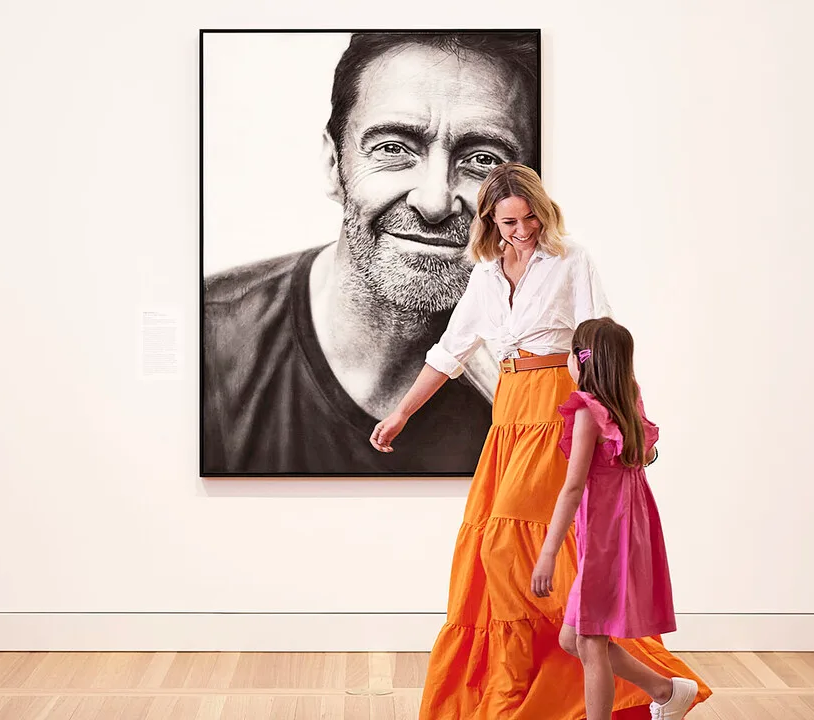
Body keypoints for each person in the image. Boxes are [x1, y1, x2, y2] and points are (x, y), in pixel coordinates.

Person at [370, 163, 708, 719]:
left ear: (543, 213)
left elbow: (603, 344)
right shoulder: (484, 275)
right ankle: (654, 688)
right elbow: (450, 352)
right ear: (489, 222)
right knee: (502, 548)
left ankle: (571, 679)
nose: (522, 230)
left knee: (511, 543)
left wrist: (632, 422)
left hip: (556, 408)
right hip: (509, 413)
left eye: (530, 218)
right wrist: (402, 412)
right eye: (509, 222)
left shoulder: (571, 259)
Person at [202, 31, 539, 476]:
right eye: (393, 148)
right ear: (333, 166)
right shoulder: (211, 339)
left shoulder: (540, 379)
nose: (434, 201)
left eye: (484, 159)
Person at [531, 318, 708, 719]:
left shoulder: (588, 412)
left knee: (589, 640)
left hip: (606, 535)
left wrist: (548, 554)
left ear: (580, 360)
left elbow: (572, 487)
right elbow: (645, 454)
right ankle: (666, 690)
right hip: (627, 527)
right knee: (573, 638)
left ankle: (655, 695)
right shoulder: (629, 399)